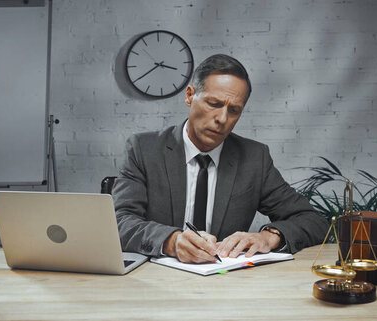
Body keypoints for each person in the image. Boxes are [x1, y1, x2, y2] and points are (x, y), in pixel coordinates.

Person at [113, 54, 328, 264]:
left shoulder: (254, 159)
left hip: (226, 282)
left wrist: (268, 237)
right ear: (189, 95)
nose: (222, 119)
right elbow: (119, 222)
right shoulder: (144, 149)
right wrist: (172, 241)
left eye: (234, 110)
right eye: (214, 104)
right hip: (155, 282)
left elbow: (314, 221)